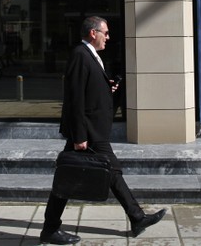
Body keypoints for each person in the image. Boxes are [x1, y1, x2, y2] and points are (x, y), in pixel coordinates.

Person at [39, 16, 166, 245]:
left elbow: (89, 89)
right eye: (105, 33)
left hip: (92, 130)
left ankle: (136, 218)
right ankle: (136, 217)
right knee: (98, 172)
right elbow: (75, 98)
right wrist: (79, 136)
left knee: (93, 174)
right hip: (88, 132)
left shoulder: (91, 55)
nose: (108, 37)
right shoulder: (80, 55)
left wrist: (107, 87)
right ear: (93, 33)